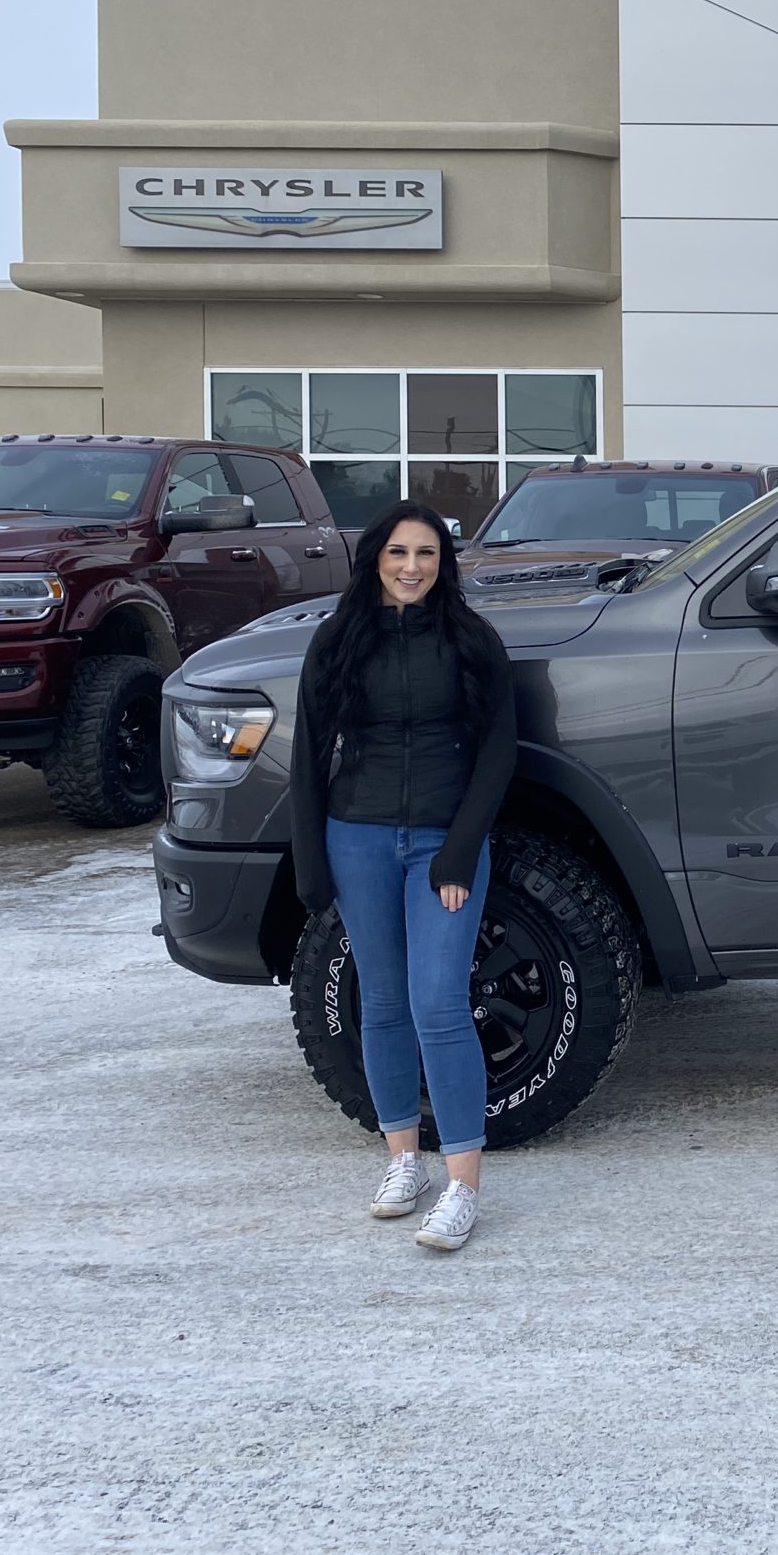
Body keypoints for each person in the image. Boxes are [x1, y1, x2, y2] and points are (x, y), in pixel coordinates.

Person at [290, 501, 516, 1251]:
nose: (412, 566)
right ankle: (402, 1161)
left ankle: (462, 1187)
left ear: (443, 564)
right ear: (375, 561)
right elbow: (311, 756)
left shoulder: (470, 640)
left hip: (442, 847)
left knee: (440, 1006)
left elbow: (498, 751)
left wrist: (459, 850)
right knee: (382, 1004)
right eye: (398, 553)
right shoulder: (339, 640)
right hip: (356, 837)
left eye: (426, 553)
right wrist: (313, 863)